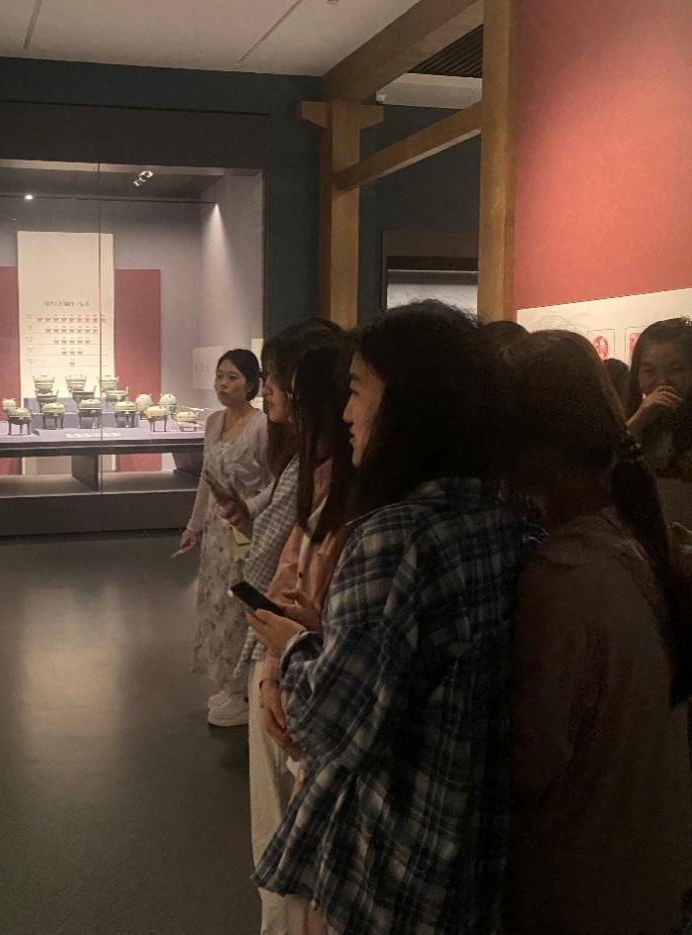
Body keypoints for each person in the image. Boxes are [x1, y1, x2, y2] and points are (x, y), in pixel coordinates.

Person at [249, 301, 531, 935]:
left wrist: (294, 648)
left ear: (408, 403)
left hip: (387, 857)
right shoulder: (503, 519)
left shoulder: (394, 537)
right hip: (465, 850)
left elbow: (331, 722)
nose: (346, 413)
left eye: (356, 391)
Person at [499, 330, 692, 935]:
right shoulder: (631, 536)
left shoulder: (561, 575)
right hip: (647, 875)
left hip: (584, 888)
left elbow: (531, 761)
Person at [215, 319, 341, 932]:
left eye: (272, 377)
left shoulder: (328, 470)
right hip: (281, 655)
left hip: (292, 661)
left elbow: (286, 572)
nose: (263, 388)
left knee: (285, 838)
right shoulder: (303, 460)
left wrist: (274, 665)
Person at [180, 348, 269, 726]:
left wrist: (250, 507)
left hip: (247, 528)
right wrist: (194, 525)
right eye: (220, 376)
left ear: (250, 383)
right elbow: (207, 477)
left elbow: (276, 480)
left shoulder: (261, 426)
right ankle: (228, 683)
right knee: (216, 602)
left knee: (240, 604)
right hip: (218, 531)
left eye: (232, 377)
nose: (223, 384)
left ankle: (245, 687)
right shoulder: (214, 421)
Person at [626, 318, 692, 526]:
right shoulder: (632, 420)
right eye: (649, 371)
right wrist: (637, 421)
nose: (662, 381)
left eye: (675, 369)